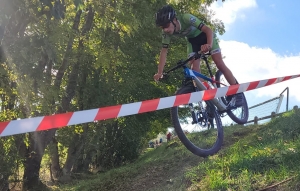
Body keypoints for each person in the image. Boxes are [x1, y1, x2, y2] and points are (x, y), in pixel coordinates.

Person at [153, 5, 243, 107]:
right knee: (194, 70)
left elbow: (208, 30)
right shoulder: (166, 34)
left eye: (166, 25)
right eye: (162, 27)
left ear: (174, 19)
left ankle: (238, 92)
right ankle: (208, 100)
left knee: (219, 63)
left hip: (206, 36)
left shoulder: (186, 18)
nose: (165, 29)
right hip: (193, 42)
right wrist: (160, 73)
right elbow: (164, 51)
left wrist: (209, 45)